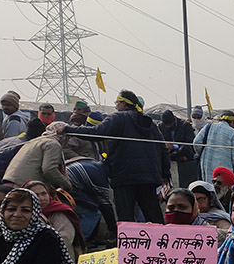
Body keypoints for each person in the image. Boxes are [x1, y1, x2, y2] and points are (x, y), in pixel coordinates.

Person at [56, 90, 169, 224]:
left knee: (126, 220)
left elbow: (97, 132)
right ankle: (161, 243)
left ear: (124, 103)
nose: (116, 106)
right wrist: (165, 175)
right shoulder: (150, 124)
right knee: (154, 218)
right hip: (149, 178)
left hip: (124, 176)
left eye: (117, 103)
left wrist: (68, 130)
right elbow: (163, 149)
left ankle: (127, 245)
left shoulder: (118, 118)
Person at [24, 179, 84, 263]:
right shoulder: (23, 214)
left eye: (44, 194)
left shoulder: (59, 212)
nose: (41, 198)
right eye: (35, 195)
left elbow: (65, 239)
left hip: (59, 260)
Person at [65, 156, 116, 248]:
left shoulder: (93, 164)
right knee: (92, 213)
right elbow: (105, 205)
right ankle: (80, 242)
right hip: (65, 190)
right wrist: (113, 229)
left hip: (64, 186)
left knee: (93, 205)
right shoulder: (99, 176)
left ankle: (91, 239)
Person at [3, 124, 71, 192]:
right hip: (23, 187)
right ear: (63, 136)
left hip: (11, 182)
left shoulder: (36, 140)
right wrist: (66, 184)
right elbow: (49, 170)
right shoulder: (53, 144)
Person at [195, 111, 234, 182]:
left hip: (206, 165)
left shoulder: (208, 126)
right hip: (225, 169)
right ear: (232, 122)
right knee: (221, 189)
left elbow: (196, 142)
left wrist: (202, 154)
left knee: (208, 188)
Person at [160, 109, 198, 188]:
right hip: (170, 153)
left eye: (169, 124)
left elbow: (189, 143)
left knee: (185, 148)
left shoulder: (185, 125)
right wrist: (165, 145)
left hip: (182, 152)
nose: (168, 126)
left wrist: (174, 146)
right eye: (166, 125)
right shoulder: (161, 126)